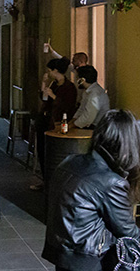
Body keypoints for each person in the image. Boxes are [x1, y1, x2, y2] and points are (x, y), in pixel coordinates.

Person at [43, 110, 140, 271]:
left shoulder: (69, 162)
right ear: (129, 143)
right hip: (91, 260)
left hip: (62, 255)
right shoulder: (110, 181)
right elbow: (128, 232)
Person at [32, 57, 78, 190]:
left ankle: (54, 184)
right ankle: (46, 181)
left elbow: (67, 106)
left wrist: (53, 96)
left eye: (49, 70)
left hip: (57, 123)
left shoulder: (68, 87)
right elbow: (44, 99)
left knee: (53, 153)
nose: (48, 72)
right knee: (42, 150)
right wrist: (44, 85)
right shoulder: (53, 84)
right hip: (45, 120)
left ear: (56, 70)